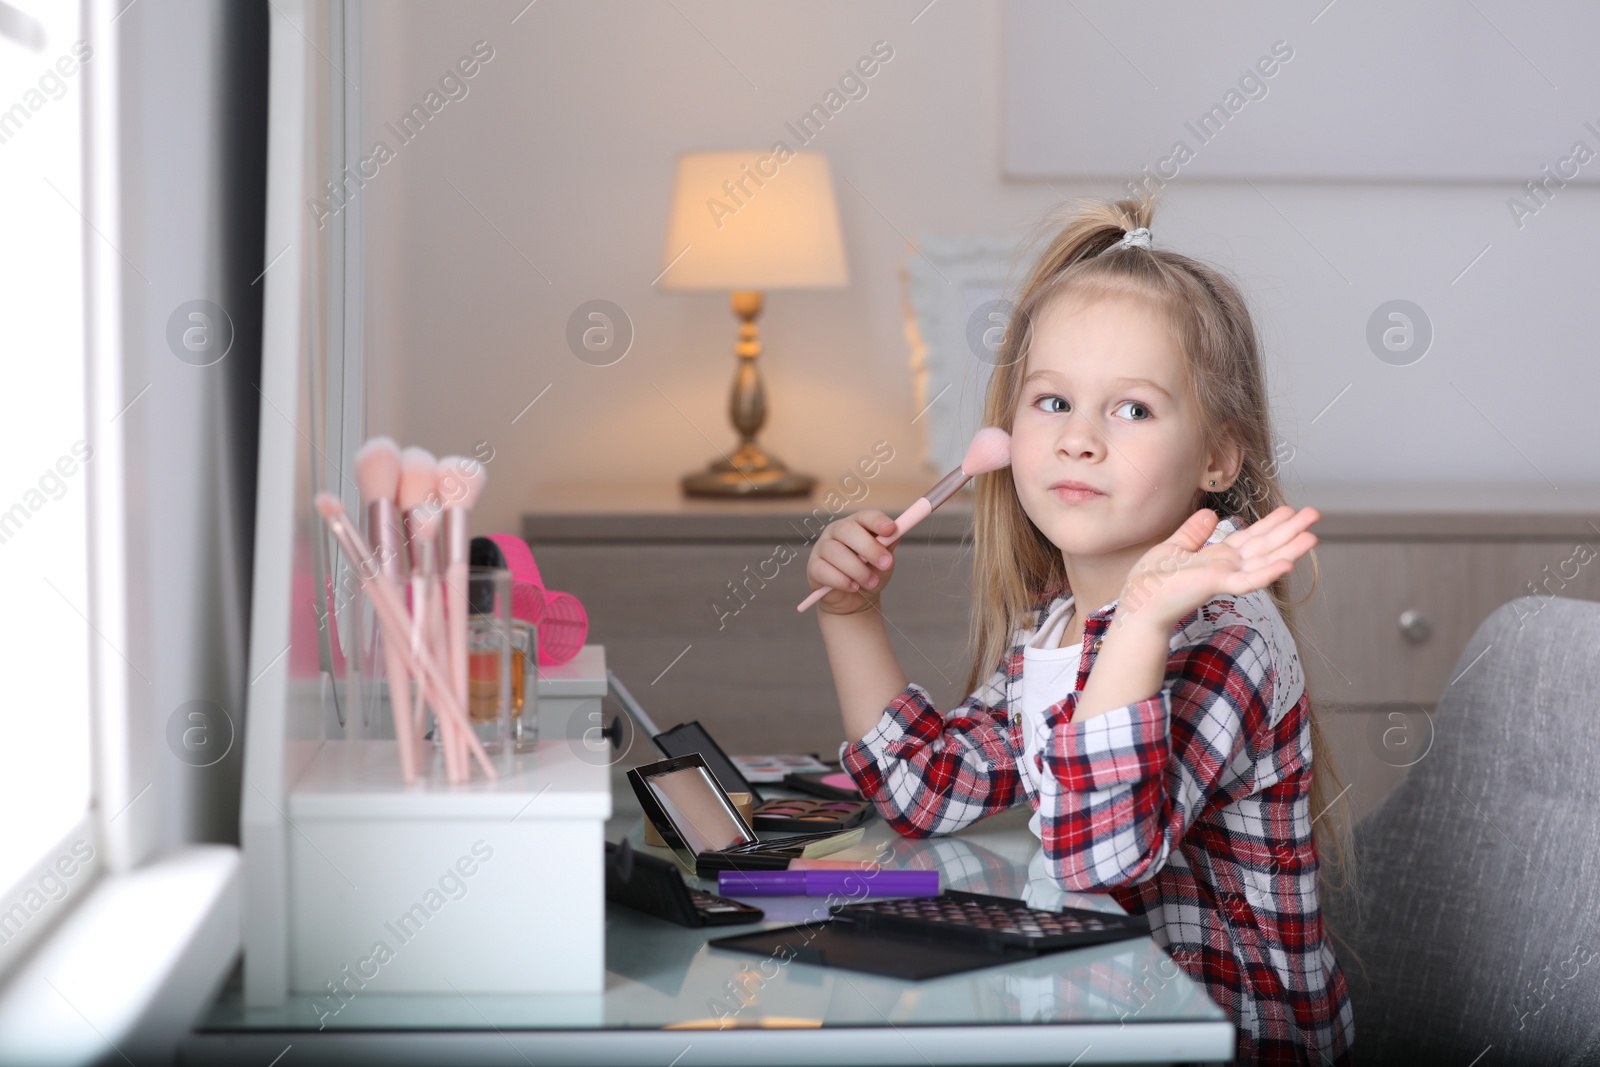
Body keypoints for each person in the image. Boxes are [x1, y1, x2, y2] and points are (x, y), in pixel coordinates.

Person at [806, 194, 1356, 1065]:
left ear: (1218, 456)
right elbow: (928, 789)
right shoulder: (1055, 617)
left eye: (1132, 410)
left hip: (1233, 1041)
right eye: (1053, 402)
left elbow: (1102, 856)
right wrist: (851, 614)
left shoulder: (1227, 638)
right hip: (1095, 1016)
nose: (1080, 441)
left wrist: (1140, 622)